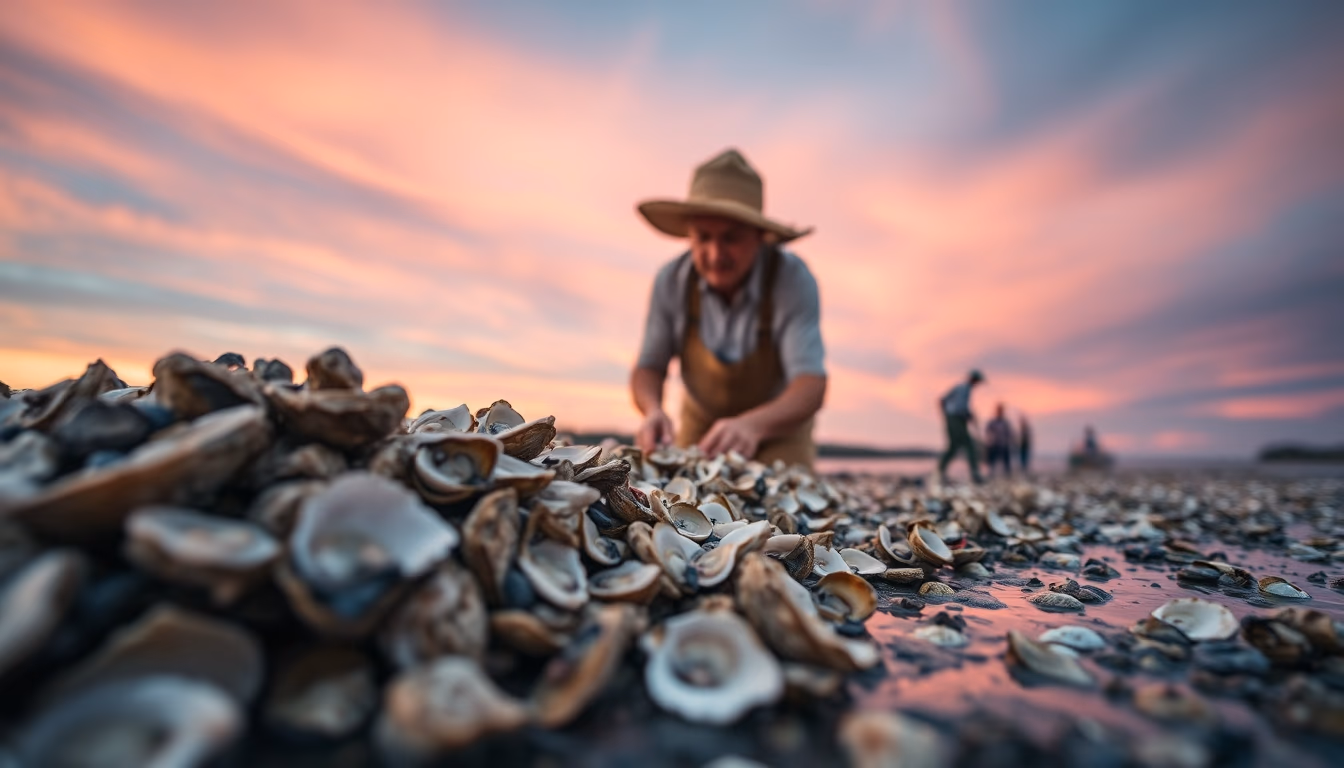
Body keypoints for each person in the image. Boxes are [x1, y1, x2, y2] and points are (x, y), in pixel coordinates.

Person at [629, 148, 826, 467]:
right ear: (689, 235)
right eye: (703, 237)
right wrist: (653, 410)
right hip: (701, 426)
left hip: (779, 431)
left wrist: (754, 425)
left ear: (760, 236)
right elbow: (649, 367)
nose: (715, 253)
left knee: (788, 507)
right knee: (683, 501)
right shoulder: (671, 281)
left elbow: (811, 385)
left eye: (731, 238)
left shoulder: (792, 279)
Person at [937, 370, 985, 483]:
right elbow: (960, 408)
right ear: (974, 379)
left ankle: (940, 472)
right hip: (956, 420)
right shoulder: (965, 388)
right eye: (977, 381)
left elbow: (942, 400)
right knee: (969, 445)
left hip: (954, 419)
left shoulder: (960, 387)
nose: (977, 384)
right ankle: (975, 473)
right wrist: (968, 416)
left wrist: (946, 417)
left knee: (953, 447)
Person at [984, 402, 1014, 478]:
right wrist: (989, 441)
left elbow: (1009, 433)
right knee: (992, 460)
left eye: (1001, 410)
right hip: (994, 444)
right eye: (999, 409)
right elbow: (987, 431)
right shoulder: (993, 422)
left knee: (1006, 461)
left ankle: (1007, 475)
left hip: (1003, 444)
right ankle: (991, 473)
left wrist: (1011, 441)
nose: (1000, 411)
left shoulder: (1005, 422)